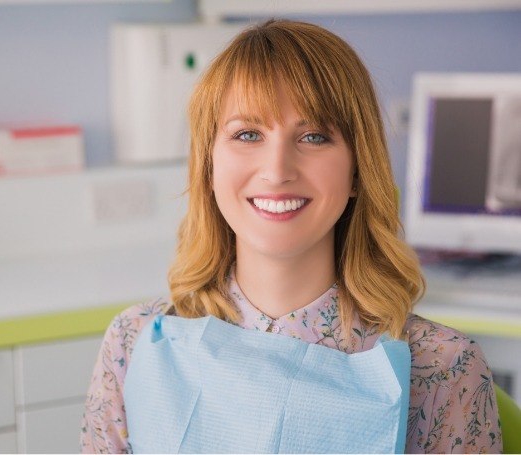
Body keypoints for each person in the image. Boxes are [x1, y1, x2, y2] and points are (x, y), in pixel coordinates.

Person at [80, 19, 502, 454]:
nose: (277, 170)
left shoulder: (441, 368)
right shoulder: (134, 343)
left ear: (358, 170)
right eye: (247, 134)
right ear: (208, 166)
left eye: (314, 136)